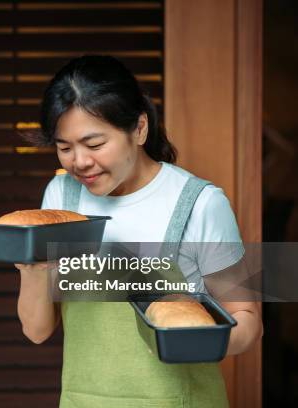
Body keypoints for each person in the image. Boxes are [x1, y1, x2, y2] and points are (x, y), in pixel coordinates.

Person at [15, 55, 263, 407]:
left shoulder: (198, 203)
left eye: (95, 144)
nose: (79, 161)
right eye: (64, 147)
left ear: (140, 129)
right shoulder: (61, 198)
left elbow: (248, 320)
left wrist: (202, 339)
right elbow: (37, 331)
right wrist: (32, 267)